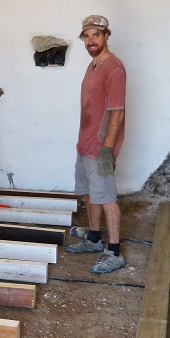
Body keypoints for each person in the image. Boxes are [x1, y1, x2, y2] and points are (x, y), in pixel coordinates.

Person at [66, 15, 127, 274]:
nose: (91, 41)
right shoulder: (92, 66)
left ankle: (114, 252)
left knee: (107, 197)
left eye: (96, 35)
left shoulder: (113, 68)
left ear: (106, 36)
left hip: (100, 147)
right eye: (87, 36)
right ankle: (93, 239)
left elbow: (117, 113)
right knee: (89, 193)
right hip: (85, 144)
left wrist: (106, 150)